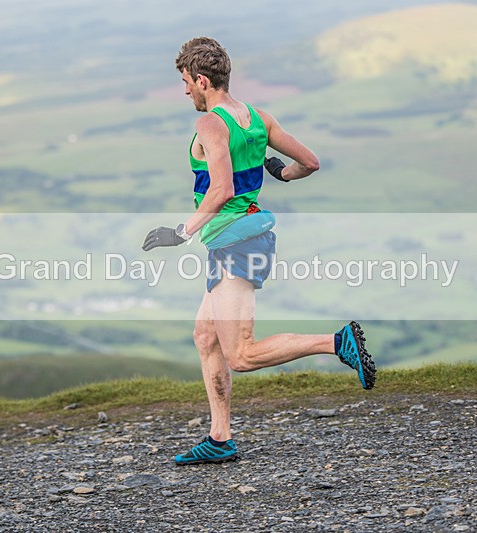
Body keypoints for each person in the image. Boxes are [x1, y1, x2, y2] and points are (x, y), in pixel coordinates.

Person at [142, 37, 375, 465]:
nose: (185, 90)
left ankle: (337, 342)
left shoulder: (210, 124)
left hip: (236, 242)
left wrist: (180, 232)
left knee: (242, 354)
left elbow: (221, 190)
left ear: (202, 80)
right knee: (205, 336)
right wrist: (282, 174)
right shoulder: (258, 118)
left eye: (186, 82)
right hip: (239, 239)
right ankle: (219, 437)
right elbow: (310, 162)